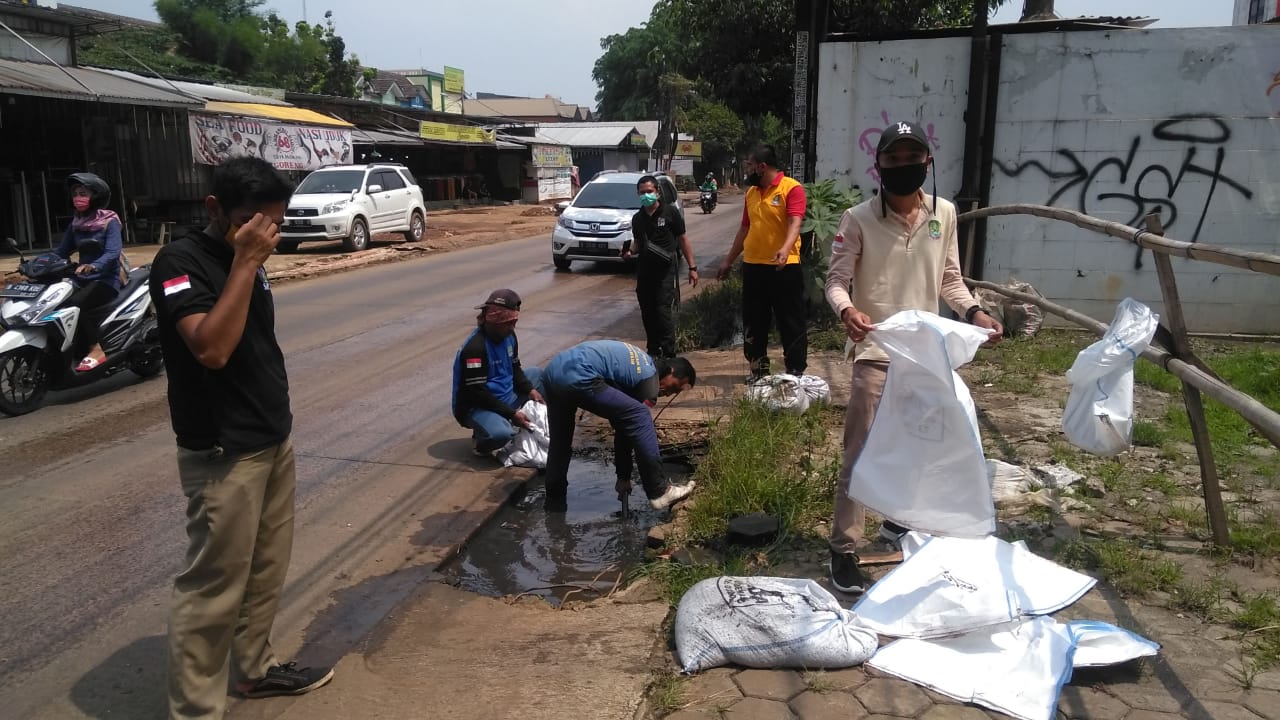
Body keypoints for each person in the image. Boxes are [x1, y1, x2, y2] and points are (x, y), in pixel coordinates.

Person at [149, 157, 333, 719]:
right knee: (213, 588)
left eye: (272, 224)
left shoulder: (249, 257)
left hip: (271, 439)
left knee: (264, 570)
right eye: (251, 223)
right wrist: (246, 262)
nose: (264, 235)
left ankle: (253, 671)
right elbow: (212, 348)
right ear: (214, 210)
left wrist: (249, 259)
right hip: (223, 451)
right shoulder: (179, 262)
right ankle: (196, 710)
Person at [823, 120, 1003, 594]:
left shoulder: (943, 213)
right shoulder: (857, 218)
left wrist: (975, 312)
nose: (903, 166)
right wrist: (848, 310)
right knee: (859, 450)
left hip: (924, 355)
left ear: (927, 162)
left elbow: (950, 279)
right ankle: (843, 548)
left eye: (911, 158)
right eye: (893, 159)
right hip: (876, 350)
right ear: (878, 164)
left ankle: (897, 523)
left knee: (919, 445)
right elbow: (836, 280)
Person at [540, 340, 697, 512]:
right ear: (671, 372)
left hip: (553, 372)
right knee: (641, 416)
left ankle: (554, 505)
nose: (669, 394)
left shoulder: (640, 364)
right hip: (580, 374)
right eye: (675, 387)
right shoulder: (649, 380)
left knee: (560, 443)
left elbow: (623, 424)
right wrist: (624, 475)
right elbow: (629, 429)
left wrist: (623, 476)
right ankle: (660, 491)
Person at [716, 145, 808, 380]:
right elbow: (744, 228)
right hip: (754, 266)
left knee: (790, 319)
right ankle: (759, 370)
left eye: (749, 164)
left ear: (761, 166)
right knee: (754, 321)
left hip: (784, 267)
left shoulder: (791, 188)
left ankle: (795, 371)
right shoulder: (751, 193)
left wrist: (785, 250)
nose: (747, 169)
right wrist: (728, 260)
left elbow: (795, 223)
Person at [451, 288, 544, 456]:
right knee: (501, 435)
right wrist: (511, 413)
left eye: (513, 322)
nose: (512, 327)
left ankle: (508, 419)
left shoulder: (509, 336)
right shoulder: (475, 348)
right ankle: (481, 442)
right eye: (508, 323)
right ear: (493, 322)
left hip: (506, 396)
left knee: (539, 376)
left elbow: (515, 368)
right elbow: (477, 393)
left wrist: (530, 390)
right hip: (479, 405)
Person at [54, 172, 123, 372]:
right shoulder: (76, 223)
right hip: (81, 278)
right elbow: (61, 252)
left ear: (96, 195)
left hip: (106, 279)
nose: (78, 197)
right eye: (75, 193)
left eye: (82, 193)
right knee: (58, 304)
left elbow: (112, 252)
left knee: (75, 305)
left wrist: (94, 265)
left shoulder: (110, 221)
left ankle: (96, 349)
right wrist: (36, 263)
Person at [624, 175, 697, 359]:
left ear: (657, 191)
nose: (646, 195)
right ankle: (653, 351)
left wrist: (692, 267)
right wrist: (629, 251)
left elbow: (683, 239)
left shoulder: (670, 213)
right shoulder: (638, 218)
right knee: (647, 311)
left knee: (662, 311)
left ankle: (669, 353)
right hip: (644, 270)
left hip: (664, 271)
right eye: (642, 193)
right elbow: (639, 242)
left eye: (649, 191)